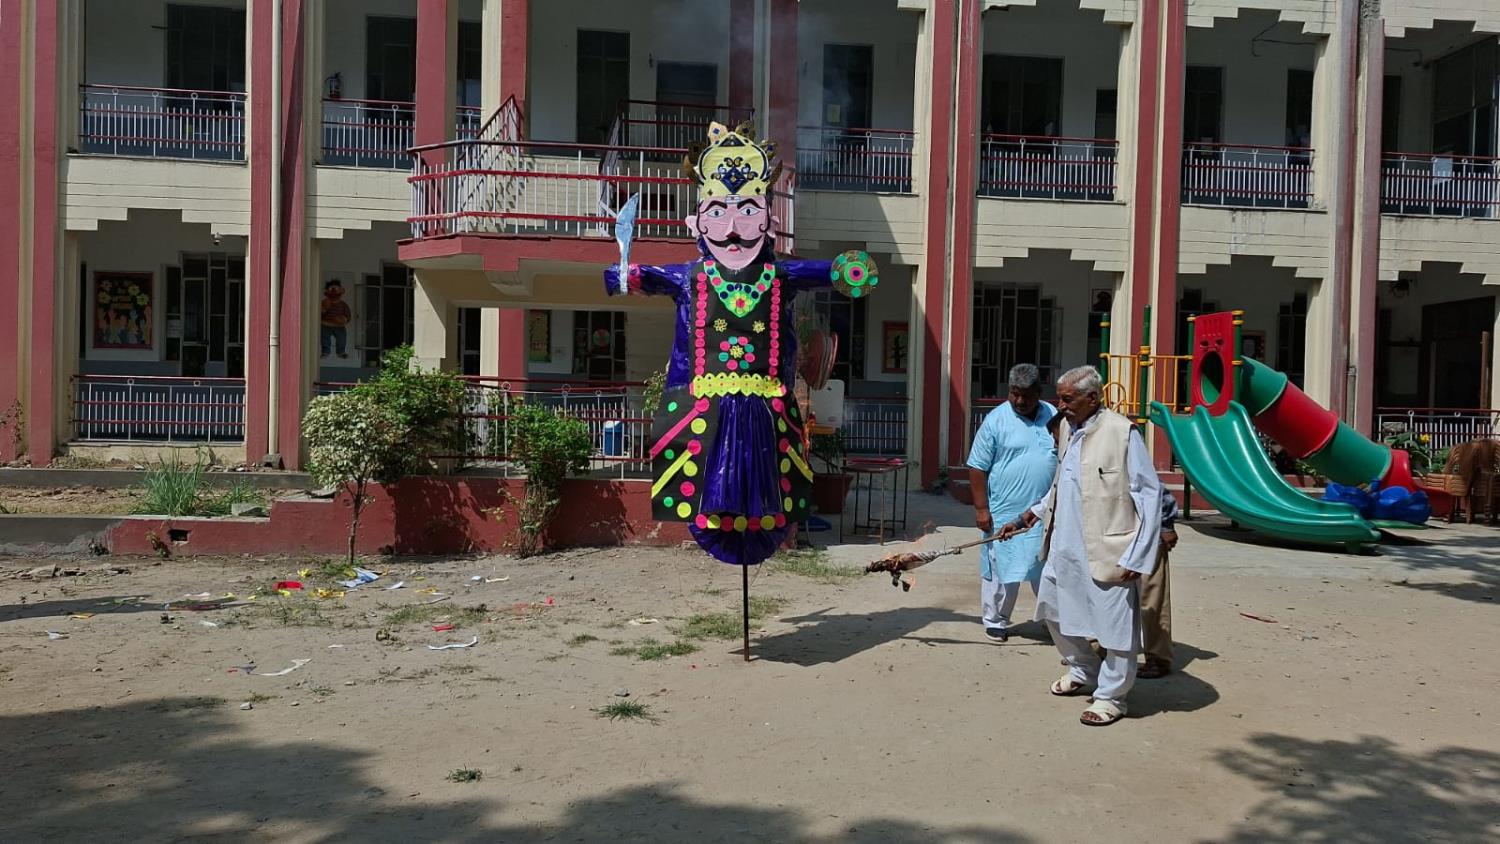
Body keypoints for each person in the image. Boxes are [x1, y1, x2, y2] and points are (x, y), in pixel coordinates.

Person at [999, 365, 1161, 727]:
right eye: (1060, 398)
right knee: (1055, 613)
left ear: (1093, 397)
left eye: (1067, 399)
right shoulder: (1068, 429)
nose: (1060, 405)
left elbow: (1149, 496)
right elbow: (1064, 482)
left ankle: (1112, 697)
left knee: (1115, 628)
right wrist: (1034, 513)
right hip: (1064, 545)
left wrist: (1140, 553)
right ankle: (1083, 669)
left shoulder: (1122, 433)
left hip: (1110, 549)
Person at [966, 363, 1057, 642]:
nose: (1019, 401)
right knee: (1003, 568)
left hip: (1046, 511)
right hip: (1004, 511)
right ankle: (996, 619)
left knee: (1049, 570)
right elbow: (977, 466)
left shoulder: (1053, 416)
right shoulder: (996, 420)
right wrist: (982, 508)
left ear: (1039, 392)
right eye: (1014, 393)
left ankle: (1055, 621)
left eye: (1026, 395)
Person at [1140, 486, 1179, 678]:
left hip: (1144, 530)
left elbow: (1152, 485)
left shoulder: (1127, 455)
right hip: (1102, 533)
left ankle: (1157, 657)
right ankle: (1094, 653)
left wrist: (1165, 525)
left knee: (1151, 595)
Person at [320, 279, 352, 359]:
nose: (334, 292)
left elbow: (348, 314)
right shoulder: (324, 302)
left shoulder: (343, 305)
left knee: (342, 338)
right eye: (332, 289)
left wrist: (345, 319)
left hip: (339, 325)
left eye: (336, 289)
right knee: (325, 338)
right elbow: (320, 313)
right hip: (325, 324)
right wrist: (324, 310)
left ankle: (341, 352)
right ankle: (325, 352)